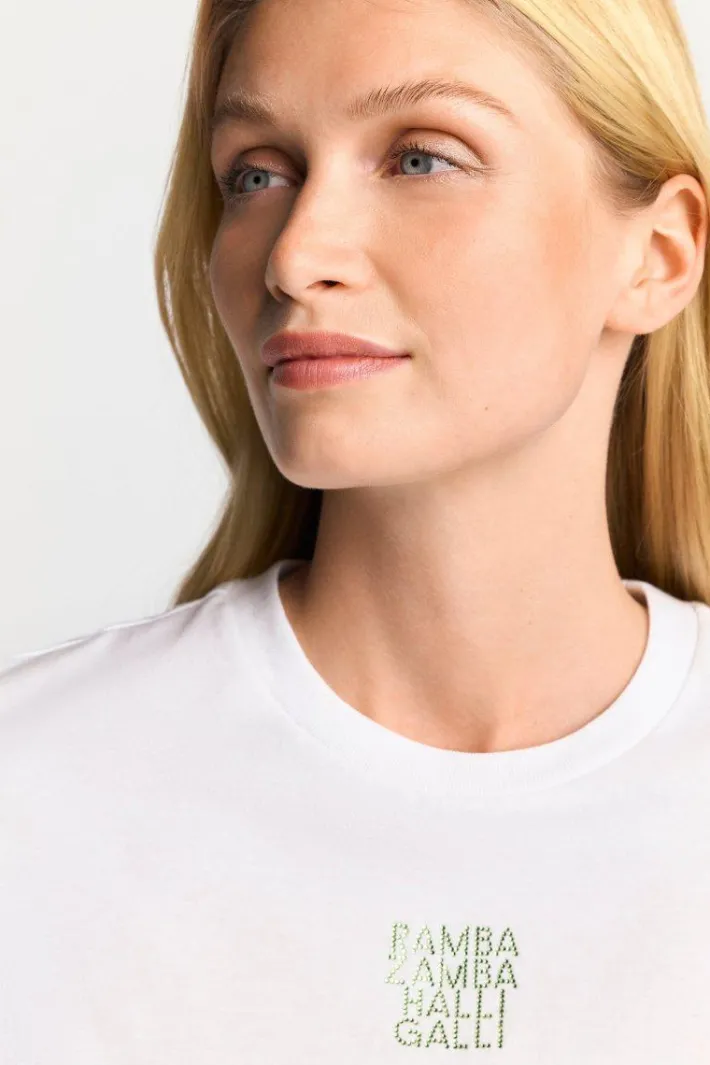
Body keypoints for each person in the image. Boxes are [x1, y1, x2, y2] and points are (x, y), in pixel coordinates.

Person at [1, 0, 709, 1060]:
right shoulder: (32, 800)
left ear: (656, 254)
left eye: (421, 159)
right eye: (256, 174)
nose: (295, 254)